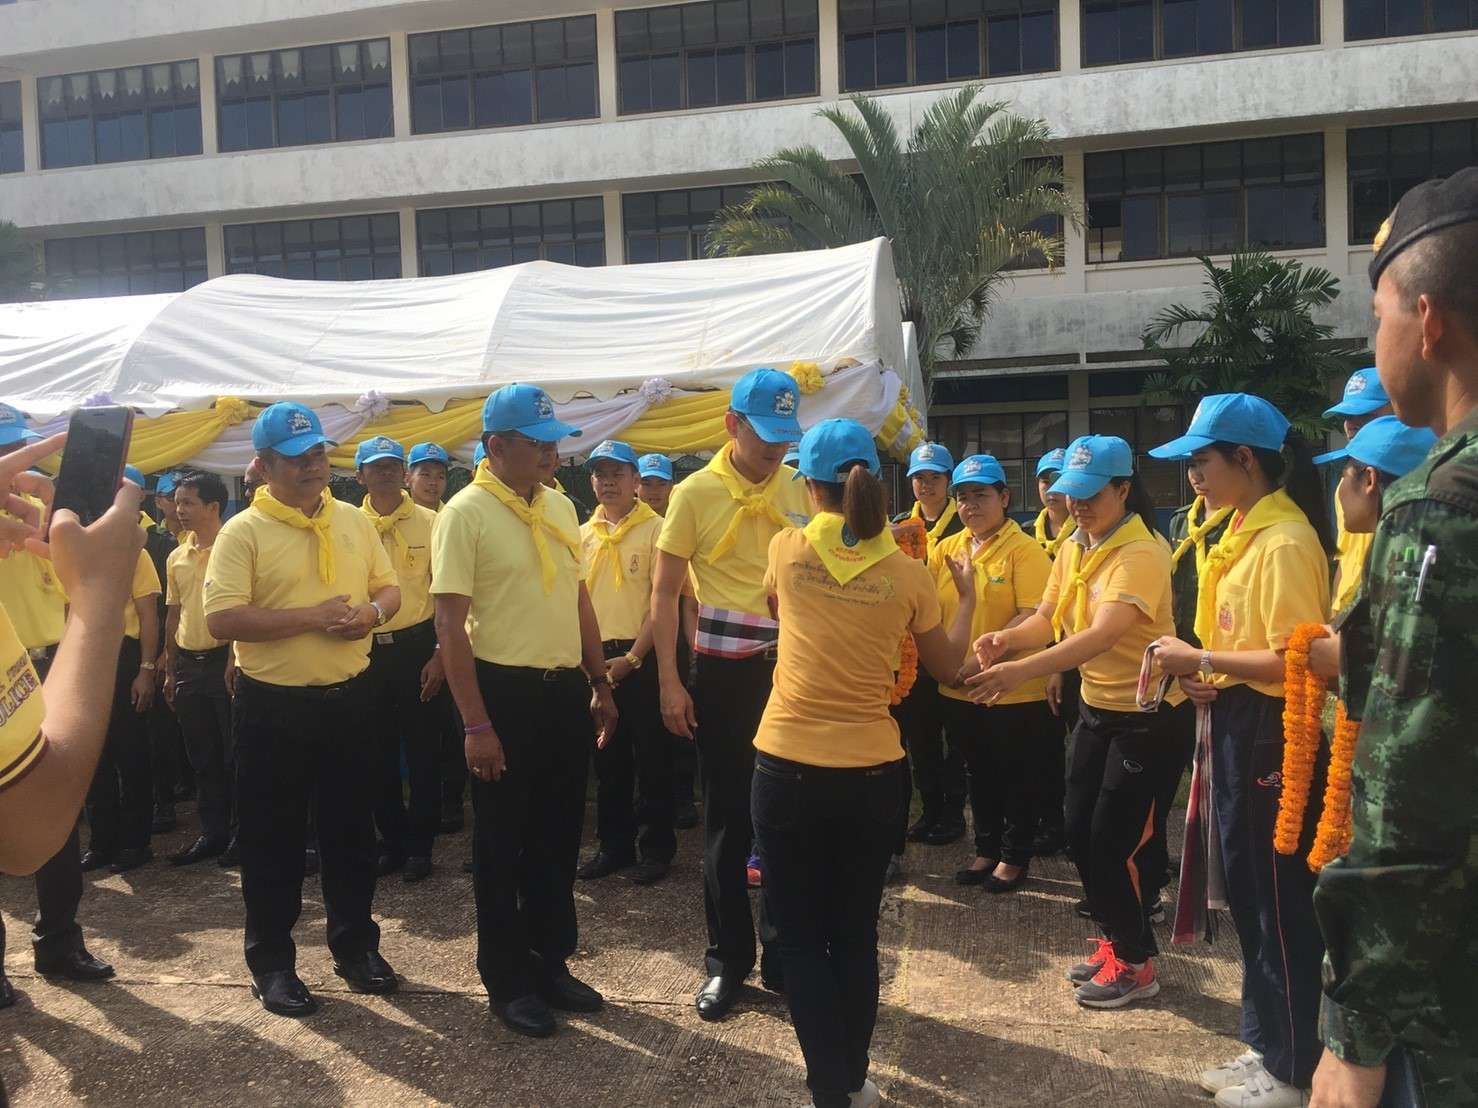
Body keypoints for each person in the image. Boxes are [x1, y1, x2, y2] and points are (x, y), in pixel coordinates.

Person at [1307, 167, 1478, 1108]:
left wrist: (1355, 1031)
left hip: (1446, 996)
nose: (1376, 346)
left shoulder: (1440, 512)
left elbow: (1408, 789)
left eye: (1376, 319)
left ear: (1427, 319)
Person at [753, 418, 978, 1108]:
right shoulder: (910, 573)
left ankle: (833, 1086)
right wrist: (967, 600)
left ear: (810, 486)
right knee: (854, 934)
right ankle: (849, 1079)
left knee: (799, 937)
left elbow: (775, 609)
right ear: (878, 484)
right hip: (874, 774)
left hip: (787, 765)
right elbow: (948, 667)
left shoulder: (787, 548)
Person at [1146, 394, 1335, 1108]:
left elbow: (1297, 658)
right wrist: (1207, 673)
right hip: (1238, 716)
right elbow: (1242, 647)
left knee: (1279, 901)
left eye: (1202, 460)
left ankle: (1294, 1070)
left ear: (1246, 459)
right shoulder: (1241, 530)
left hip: (1273, 727)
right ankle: (1267, 1044)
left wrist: (1203, 659)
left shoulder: (1283, 542)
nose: (1192, 475)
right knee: (1251, 893)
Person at [966, 436, 1186, 1008]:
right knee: (1078, 835)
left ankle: (1135, 964)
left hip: (1146, 717)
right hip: (1097, 708)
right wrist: (1007, 640)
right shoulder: (1075, 545)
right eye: (1071, 494)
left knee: (1115, 842)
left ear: (1123, 489)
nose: (1078, 505)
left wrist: (1021, 670)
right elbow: (1048, 615)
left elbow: (1102, 634)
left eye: (1091, 495)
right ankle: (1118, 941)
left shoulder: (1141, 552)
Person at [204, 402, 403, 1018]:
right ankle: (272, 964)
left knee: (351, 834)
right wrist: (312, 618)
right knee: (273, 841)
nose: (312, 467)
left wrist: (371, 614)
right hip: (274, 708)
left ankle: (355, 948)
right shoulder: (243, 531)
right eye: (296, 459)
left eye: (317, 455)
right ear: (263, 467)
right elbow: (222, 619)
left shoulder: (353, 520)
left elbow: (389, 588)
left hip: (350, 699)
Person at [432, 383, 617, 1039]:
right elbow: (449, 626)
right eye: (537, 445)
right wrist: (476, 724)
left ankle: (550, 963)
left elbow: (578, 600)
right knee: (501, 845)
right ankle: (507, 980)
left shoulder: (561, 506)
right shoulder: (465, 513)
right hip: (501, 693)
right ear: (496, 446)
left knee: (558, 836)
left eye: (553, 443)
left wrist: (599, 681)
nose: (550, 454)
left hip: (561, 692)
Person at [650, 367, 809, 1022]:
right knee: (726, 822)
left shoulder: (800, 486)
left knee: (786, 819)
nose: (775, 448)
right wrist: (668, 680)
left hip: (791, 672)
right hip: (721, 674)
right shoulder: (694, 493)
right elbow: (664, 592)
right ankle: (727, 960)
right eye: (764, 434)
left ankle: (785, 954)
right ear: (731, 425)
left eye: (784, 435)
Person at [0, 420, 131, 1002]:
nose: (15, 466)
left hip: (47, 664)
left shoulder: (50, 517)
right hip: (16, 672)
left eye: (16, 449)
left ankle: (59, 939)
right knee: (36, 812)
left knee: (59, 823)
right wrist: (100, 600)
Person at [930, 454, 1053, 893]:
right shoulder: (946, 548)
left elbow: (1034, 613)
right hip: (958, 688)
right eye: (962, 497)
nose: (970, 505)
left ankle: (1014, 856)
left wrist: (981, 660)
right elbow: (929, 610)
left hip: (1011, 688)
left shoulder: (1025, 550)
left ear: (1004, 497)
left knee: (1016, 775)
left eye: (981, 495)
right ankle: (986, 849)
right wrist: (948, 665)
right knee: (977, 772)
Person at [576, 439, 676, 885]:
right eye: (600, 474)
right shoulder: (581, 534)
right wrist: (593, 666)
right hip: (595, 662)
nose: (608, 482)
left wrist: (634, 658)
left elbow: (662, 603)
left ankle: (656, 849)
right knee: (607, 759)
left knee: (653, 757)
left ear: (636, 480)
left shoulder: (659, 530)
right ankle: (613, 846)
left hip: (642, 656)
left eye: (618, 473)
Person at [355, 436, 443, 884]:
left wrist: (441, 653)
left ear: (404, 473)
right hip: (366, 650)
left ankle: (421, 847)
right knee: (376, 752)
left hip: (418, 646)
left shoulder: (433, 521)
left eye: (393, 465)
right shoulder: (349, 525)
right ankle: (391, 841)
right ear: (360, 476)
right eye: (377, 466)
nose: (386, 472)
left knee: (424, 750)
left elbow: (447, 593)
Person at [81, 468, 162, 875]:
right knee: (94, 756)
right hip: (88, 658)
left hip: (126, 657)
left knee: (131, 754)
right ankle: (102, 842)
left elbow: (148, 615)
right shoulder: (78, 550)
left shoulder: (136, 552)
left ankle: (135, 842)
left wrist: (146, 669)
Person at [890, 442, 968, 849]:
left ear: (948, 480)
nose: (926, 485)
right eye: (919, 478)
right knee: (920, 736)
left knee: (954, 737)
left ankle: (954, 813)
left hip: (953, 639)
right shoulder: (899, 527)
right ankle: (930, 810)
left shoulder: (964, 527)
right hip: (912, 648)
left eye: (934, 477)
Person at [162, 471, 236, 866]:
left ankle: (243, 834)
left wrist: (235, 660)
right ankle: (213, 833)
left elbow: (243, 608)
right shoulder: (177, 556)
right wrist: (170, 669)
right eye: (178, 502)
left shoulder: (234, 547)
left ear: (213, 506)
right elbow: (173, 615)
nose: (180, 510)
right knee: (202, 756)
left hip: (226, 662)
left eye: (188, 502)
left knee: (234, 753)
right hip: (190, 665)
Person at [637, 452, 700, 830]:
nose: (653, 491)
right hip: (641, 636)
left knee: (679, 720)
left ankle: (683, 796)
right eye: (647, 483)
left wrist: (692, 648)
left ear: (672, 487)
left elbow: (688, 599)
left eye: (661, 483)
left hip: (675, 633)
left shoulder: (680, 526)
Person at [1030, 445, 1076, 860]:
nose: (1053, 488)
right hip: (1036, 653)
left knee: (1078, 749)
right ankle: (1050, 822)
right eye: (1046, 479)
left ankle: (1074, 824)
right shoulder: (1028, 535)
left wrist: (1060, 663)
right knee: (1044, 748)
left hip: (1077, 654)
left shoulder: (1085, 535)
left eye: (1060, 479)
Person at [1323, 369, 1393, 616]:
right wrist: (1334, 614)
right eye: (1347, 416)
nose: (1351, 424)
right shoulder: (1347, 484)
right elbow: (1346, 558)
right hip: (1346, 616)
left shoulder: (1414, 480)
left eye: (1366, 414)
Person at [145, 470, 189, 833]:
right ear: (159, 502)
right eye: (173, 496)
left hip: (189, 645)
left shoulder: (208, 539)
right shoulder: (154, 544)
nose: (179, 504)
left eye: (185, 497)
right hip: (160, 643)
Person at [406, 442, 450, 513]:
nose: (433, 482)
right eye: (426, 474)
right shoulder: (394, 515)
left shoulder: (453, 516)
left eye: (440, 477)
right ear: (407, 478)